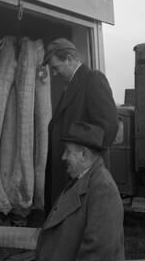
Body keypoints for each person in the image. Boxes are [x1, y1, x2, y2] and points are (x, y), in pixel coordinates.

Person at [43, 38, 118, 212]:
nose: (54, 73)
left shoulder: (93, 80)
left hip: (79, 175)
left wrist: (85, 163)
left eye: (56, 67)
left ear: (69, 59)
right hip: (68, 173)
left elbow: (108, 126)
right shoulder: (69, 87)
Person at [35, 122, 125, 261]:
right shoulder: (83, 180)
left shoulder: (103, 189)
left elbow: (98, 254)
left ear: (83, 154)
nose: (63, 157)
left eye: (68, 151)